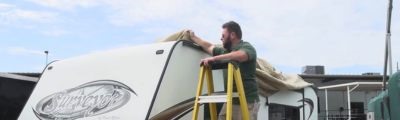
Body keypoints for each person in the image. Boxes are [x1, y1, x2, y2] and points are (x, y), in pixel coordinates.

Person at [187, 21, 259, 120]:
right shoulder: (225, 51)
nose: (221, 38)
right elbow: (209, 46)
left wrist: (214, 58)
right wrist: (193, 37)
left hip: (247, 101)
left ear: (232, 35)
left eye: (223, 35)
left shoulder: (247, 47)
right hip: (231, 99)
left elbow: (241, 55)